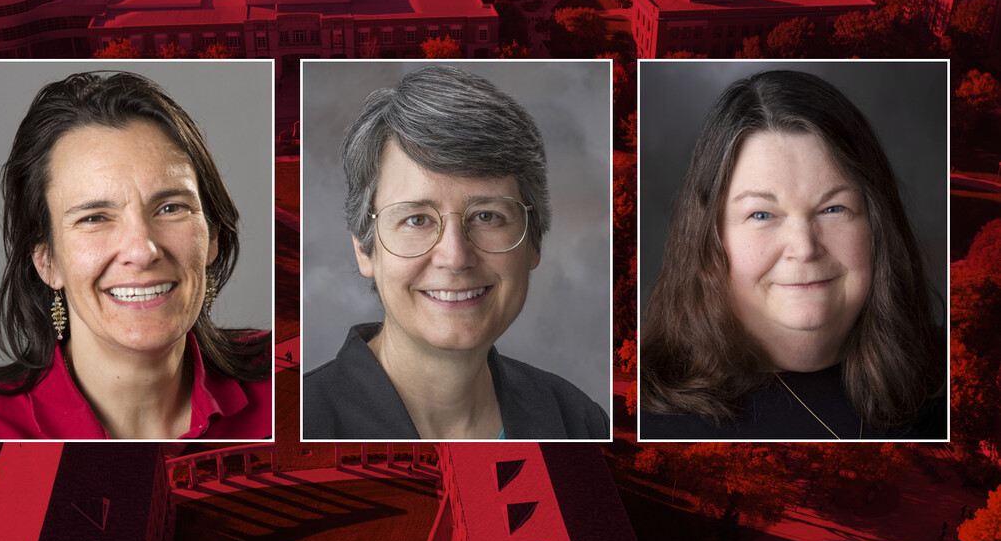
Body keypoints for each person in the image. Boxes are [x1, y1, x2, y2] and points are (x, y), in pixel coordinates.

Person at [303, 66, 609, 440]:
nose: (455, 256)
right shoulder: (302, 425)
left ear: (535, 241)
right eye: (417, 220)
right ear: (364, 248)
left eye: (487, 216)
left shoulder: (577, 423)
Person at [0, 71, 272, 440]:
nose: (142, 251)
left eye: (171, 208)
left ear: (212, 236)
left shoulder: (290, 388)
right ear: (46, 259)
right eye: (94, 218)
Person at [640, 69, 945, 440]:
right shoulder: (647, 421)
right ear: (710, 238)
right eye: (762, 214)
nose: (804, 247)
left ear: (877, 225)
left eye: (833, 208)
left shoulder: (957, 383)